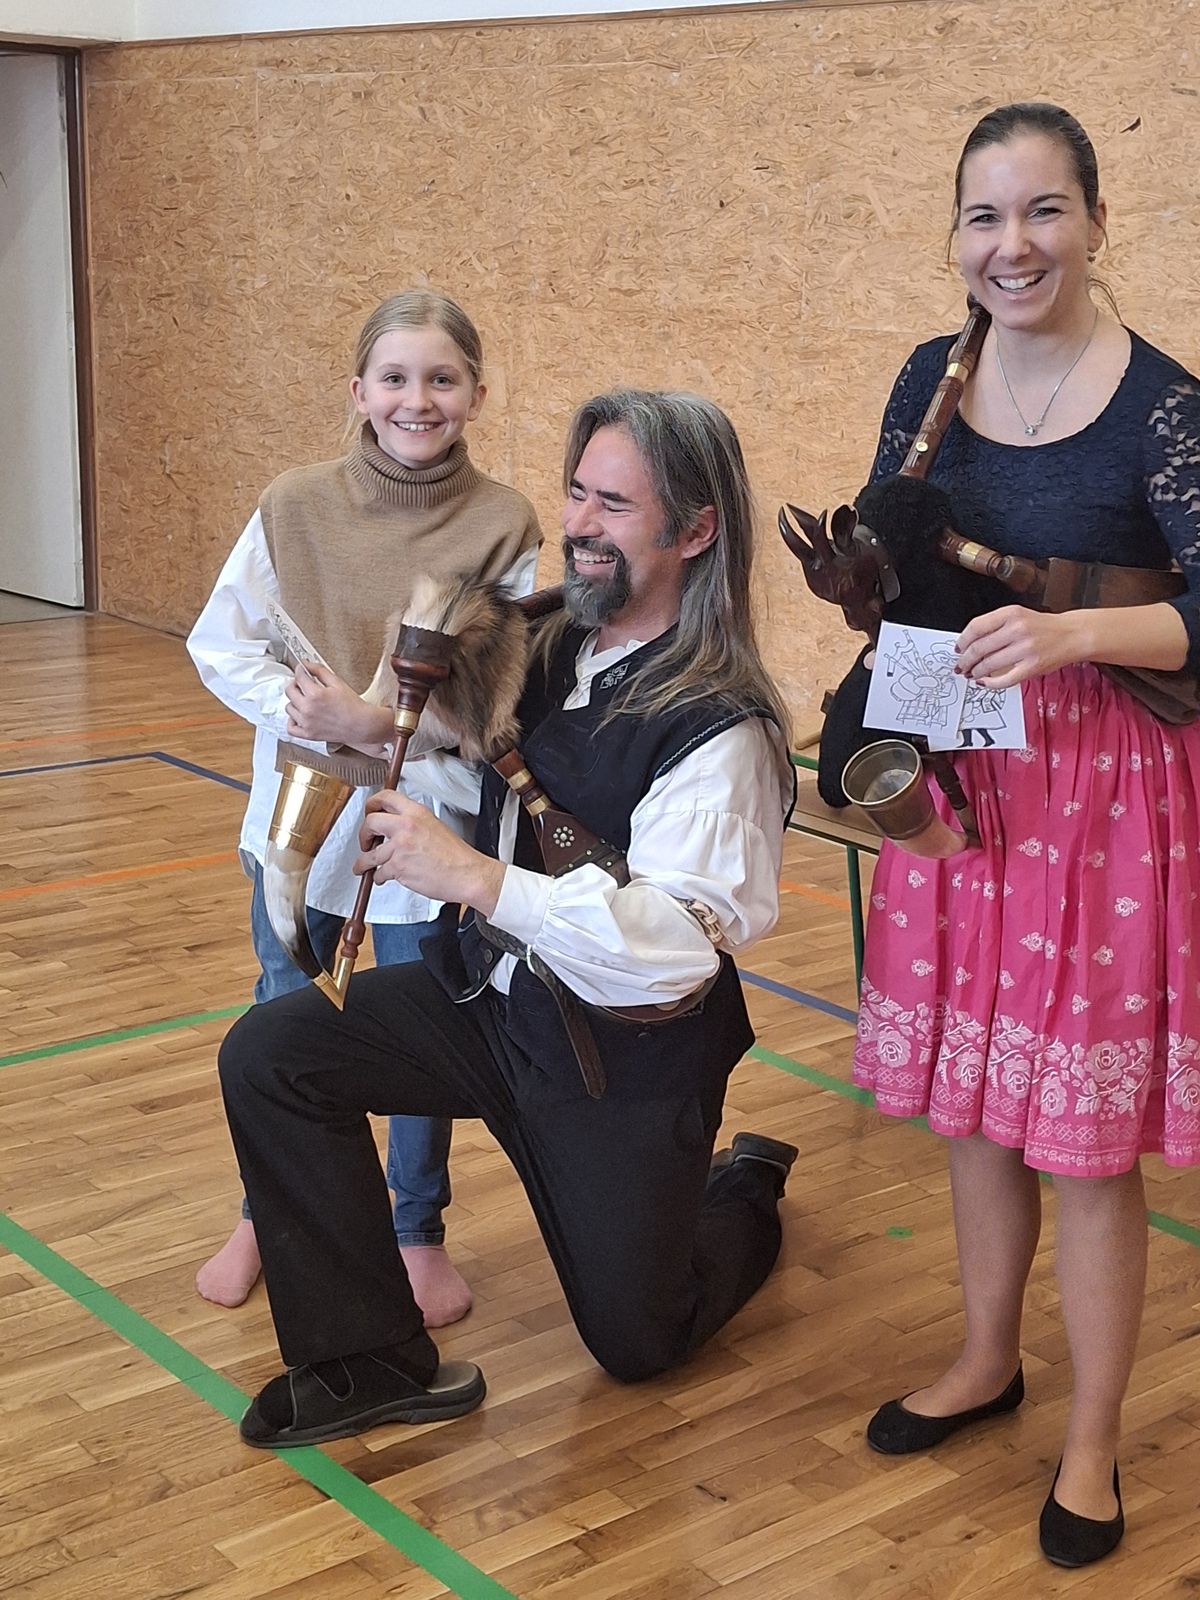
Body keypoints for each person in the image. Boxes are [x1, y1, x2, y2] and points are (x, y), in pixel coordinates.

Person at [216, 387, 798, 1448]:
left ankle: (747, 1186)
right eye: (576, 493)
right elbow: (487, 771)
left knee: (640, 1340)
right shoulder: (554, 643)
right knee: (272, 1054)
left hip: (619, 1064)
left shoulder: (722, 731)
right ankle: (366, 1359)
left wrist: (475, 879)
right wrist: (374, 734)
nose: (577, 524)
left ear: (696, 531)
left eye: (614, 504)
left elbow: (672, 953)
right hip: (495, 1008)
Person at [852, 103, 1200, 1568]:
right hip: (963, 766)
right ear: (956, 236)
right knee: (977, 1103)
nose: (1015, 245)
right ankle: (987, 1359)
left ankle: (1094, 1444)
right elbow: (899, 563)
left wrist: (1073, 634)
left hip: (1104, 792)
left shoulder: (1166, 406)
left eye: (1045, 210)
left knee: (1083, 1145)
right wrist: (866, 582)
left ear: (1099, 223)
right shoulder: (930, 374)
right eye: (985, 217)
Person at [187, 289, 542, 1324]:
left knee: (418, 1020)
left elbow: (494, 706)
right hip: (297, 816)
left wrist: (375, 723)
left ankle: (414, 1226)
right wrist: (308, 716)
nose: (416, 400)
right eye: (394, 377)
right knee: (283, 1007)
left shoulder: (505, 523)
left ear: (476, 393)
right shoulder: (293, 503)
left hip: (429, 820)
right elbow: (222, 642)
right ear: (358, 390)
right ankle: (267, 1212)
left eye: (441, 378)